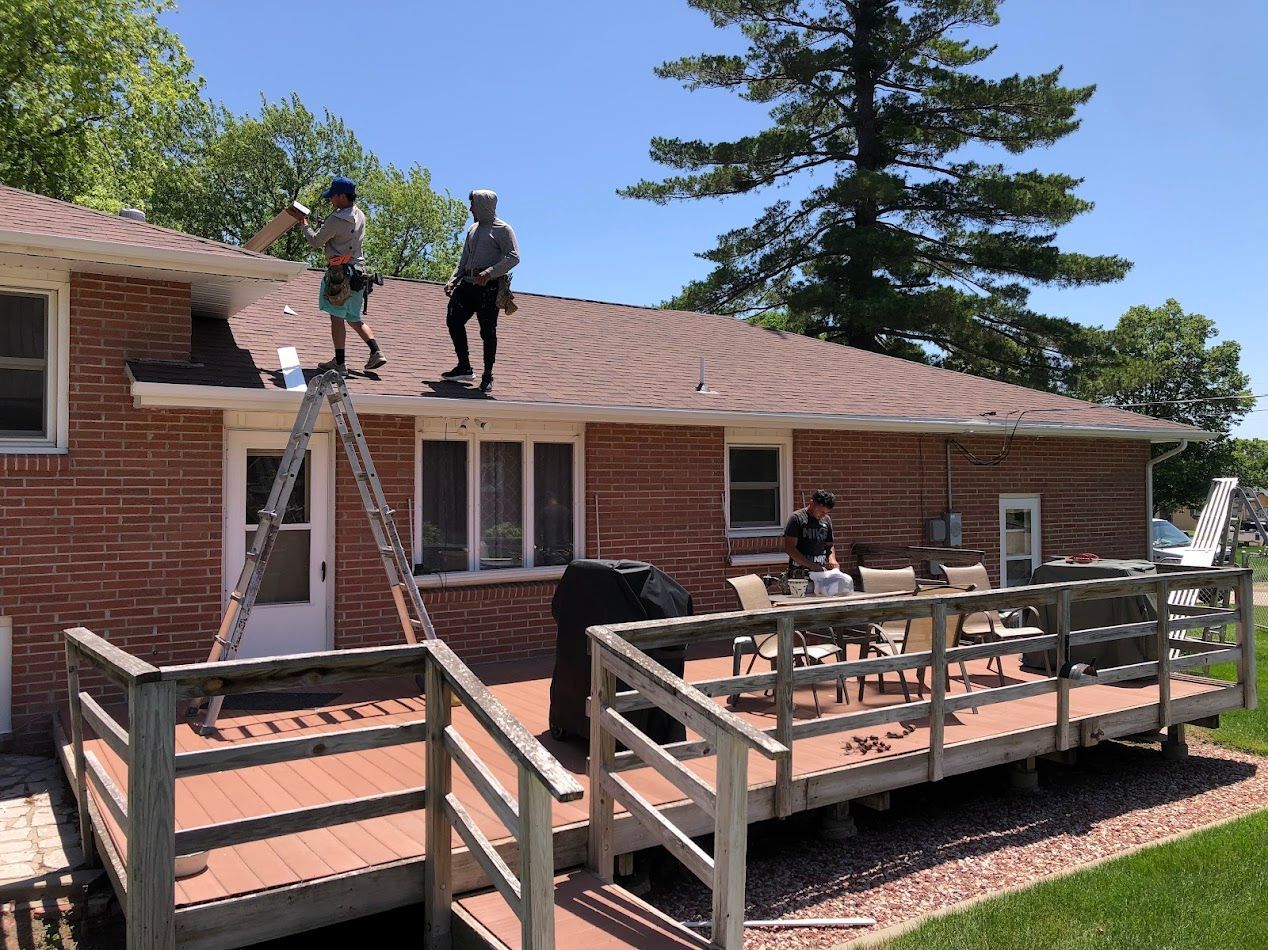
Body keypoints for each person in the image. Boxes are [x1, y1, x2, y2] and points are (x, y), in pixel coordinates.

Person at [299, 176, 386, 376]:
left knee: (336, 318)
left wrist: (304, 224)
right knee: (354, 317)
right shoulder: (360, 215)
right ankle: (376, 351)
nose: (331, 200)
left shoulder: (336, 219)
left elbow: (315, 241)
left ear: (341, 196)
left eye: (333, 196)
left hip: (340, 275)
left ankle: (339, 363)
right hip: (359, 274)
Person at [441, 189, 520, 394]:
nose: (470, 209)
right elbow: (463, 260)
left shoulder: (503, 229)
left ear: (483, 206)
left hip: (489, 287)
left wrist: (490, 272)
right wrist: (452, 281)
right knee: (453, 319)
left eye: (473, 205)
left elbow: (513, 257)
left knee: (487, 331)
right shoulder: (472, 230)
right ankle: (464, 367)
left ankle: (487, 375)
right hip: (467, 283)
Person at [783, 489, 853, 595]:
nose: (823, 515)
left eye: (826, 513)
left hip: (821, 576)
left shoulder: (826, 521)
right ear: (812, 503)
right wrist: (811, 566)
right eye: (821, 511)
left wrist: (832, 559)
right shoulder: (797, 519)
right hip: (800, 576)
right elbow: (790, 549)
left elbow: (829, 545)